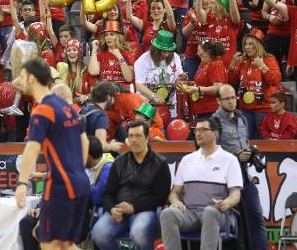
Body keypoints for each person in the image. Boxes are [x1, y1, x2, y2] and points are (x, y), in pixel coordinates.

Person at [14, 58, 91, 249]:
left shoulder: (42, 110)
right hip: (80, 182)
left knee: (49, 245)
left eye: (23, 77)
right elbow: (85, 141)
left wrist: (22, 183)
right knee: (65, 245)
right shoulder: (66, 106)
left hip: (61, 185)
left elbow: (32, 148)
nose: (20, 81)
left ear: (32, 79)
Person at [160, 118, 243, 250]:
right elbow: (174, 193)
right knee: (167, 214)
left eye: (203, 130)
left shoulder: (229, 160)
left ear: (215, 134)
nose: (198, 133)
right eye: (196, 130)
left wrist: (226, 203)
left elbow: (235, 194)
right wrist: (175, 201)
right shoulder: (187, 160)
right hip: (189, 213)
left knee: (210, 212)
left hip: (216, 212)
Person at [91, 120, 171, 250]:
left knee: (139, 233)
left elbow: (160, 198)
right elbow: (108, 193)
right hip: (119, 211)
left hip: (146, 211)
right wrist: (112, 209)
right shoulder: (119, 161)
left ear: (147, 138)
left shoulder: (160, 163)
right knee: (98, 233)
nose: (134, 140)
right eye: (131, 136)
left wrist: (134, 207)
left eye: (138, 136)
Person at [212, 84, 269, 250]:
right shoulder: (214, 123)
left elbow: (246, 144)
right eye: (227, 99)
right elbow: (211, 154)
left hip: (244, 177)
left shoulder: (242, 119)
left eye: (233, 98)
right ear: (218, 101)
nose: (231, 102)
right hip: (224, 182)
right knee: (235, 227)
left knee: (257, 219)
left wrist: (249, 155)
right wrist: (236, 156)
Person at [228, 28, 281, 139]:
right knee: (246, 140)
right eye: (246, 44)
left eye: (251, 44)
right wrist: (232, 65)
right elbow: (231, 81)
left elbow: (275, 80)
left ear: (258, 45)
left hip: (264, 108)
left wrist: (262, 66)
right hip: (245, 108)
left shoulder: (268, 59)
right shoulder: (243, 61)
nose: (247, 47)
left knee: (264, 141)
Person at [134, 30, 184, 121]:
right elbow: (139, 85)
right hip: (147, 104)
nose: (167, 54)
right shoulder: (143, 60)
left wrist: (181, 79)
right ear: (156, 49)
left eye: (169, 51)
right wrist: (154, 96)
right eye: (163, 51)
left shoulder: (175, 57)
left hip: (170, 105)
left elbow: (178, 76)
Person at [183, 39, 227, 121]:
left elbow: (217, 88)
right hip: (201, 109)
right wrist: (187, 82)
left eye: (200, 51)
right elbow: (200, 83)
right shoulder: (203, 64)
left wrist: (197, 89)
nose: (198, 54)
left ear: (208, 52)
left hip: (212, 111)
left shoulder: (216, 65)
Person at [88, 21, 135, 89]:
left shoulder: (127, 54)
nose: (108, 37)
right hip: (105, 92)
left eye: (112, 34)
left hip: (122, 91)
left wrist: (119, 56)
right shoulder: (101, 54)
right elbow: (93, 72)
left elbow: (129, 78)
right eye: (106, 35)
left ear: (118, 36)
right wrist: (94, 50)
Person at [80, 81, 124, 153]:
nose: (114, 101)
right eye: (113, 97)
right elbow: (101, 146)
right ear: (108, 96)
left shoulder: (85, 108)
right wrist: (112, 146)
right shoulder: (101, 117)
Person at [182, 0, 213, 77]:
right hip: (192, 54)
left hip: (209, 55)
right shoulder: (191, 12)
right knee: (190, 81)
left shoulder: (214, 13)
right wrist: (192, 22)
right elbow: (185, 33)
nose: (204, 1)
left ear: (211, 0)